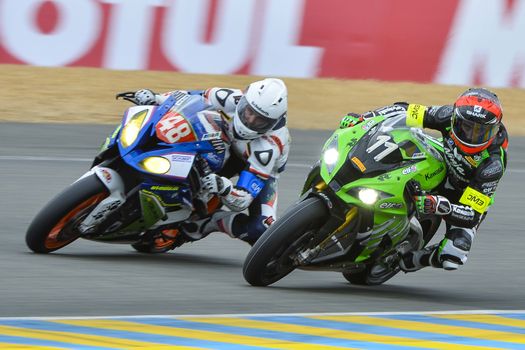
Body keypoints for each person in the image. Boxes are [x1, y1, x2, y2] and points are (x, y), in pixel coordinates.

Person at [340, 88, 508, 272]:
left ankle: (420, 259)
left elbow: (472, 214)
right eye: (467, 127)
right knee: (401, 143)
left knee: (454, 254)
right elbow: (404, 110)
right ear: (454, 119)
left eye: (481, 131)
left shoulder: (492, 165)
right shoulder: (446, 115)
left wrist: (442, 206)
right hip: (441, 163)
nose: (472, 135)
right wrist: (366, 118)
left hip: (464, 195)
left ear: (495, 129)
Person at [132, 78, 290, 246]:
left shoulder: (269, 147)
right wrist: (157, 99)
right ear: (243, 101)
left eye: (259, 120)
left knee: (261, 231)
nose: (250, 120)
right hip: (224, 141)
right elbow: (188, 97)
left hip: (257, 168)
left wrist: (224, 187)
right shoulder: (229, 98)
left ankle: (210, 222)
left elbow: (244, 198)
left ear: (273, 122)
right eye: (248, 111)